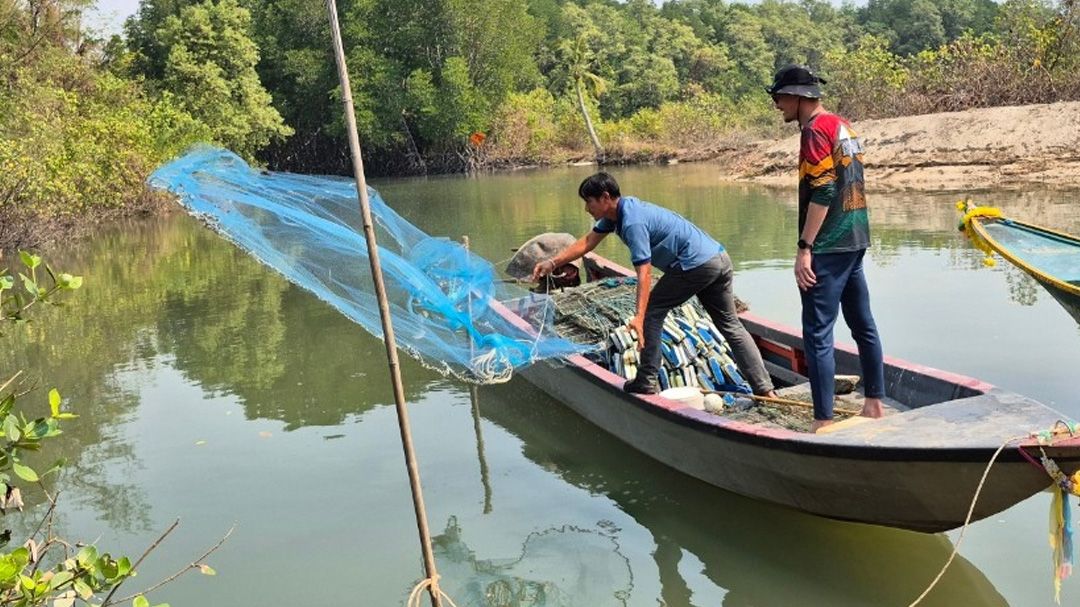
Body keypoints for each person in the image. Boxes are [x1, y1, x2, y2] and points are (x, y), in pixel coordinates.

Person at [531, 172, 776, 398]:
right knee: (730, 324)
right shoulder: (617, 214)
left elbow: (644, 273)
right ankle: (764, 388)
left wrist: (639, 316)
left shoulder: (632, 223)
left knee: (653, 312)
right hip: (718, 259)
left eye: (589, 201)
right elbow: (587, 242)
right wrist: (553, 262)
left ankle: (647, 379)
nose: (586, 208)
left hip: (696, 265)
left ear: (605, 198)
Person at [766, 64, 885, 432]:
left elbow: (826, 189)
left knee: (817, 334)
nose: (777, 106)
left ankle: (822, 421)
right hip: (856, 238)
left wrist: (805, 247)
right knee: (863, 324)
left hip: (830, 245)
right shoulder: (842, 124)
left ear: (799, 98)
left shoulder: (815, 130)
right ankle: (874, 406)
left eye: (780, 97)